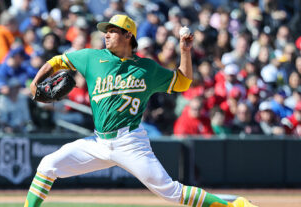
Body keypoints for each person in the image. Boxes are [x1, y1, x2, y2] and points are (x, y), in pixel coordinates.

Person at [24, 14, 256, 207]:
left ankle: (235, 205)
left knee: (172, 192)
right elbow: (57, 61)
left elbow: (183, 82)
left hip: (130, 143)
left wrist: (185, 51)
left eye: (113, 30)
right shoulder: (91, 57)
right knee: (47, 165)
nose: (106, 34)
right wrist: (36, 83)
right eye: (106, 30)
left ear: (128, 35)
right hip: (98, 143)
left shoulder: (147, 68)